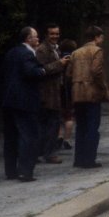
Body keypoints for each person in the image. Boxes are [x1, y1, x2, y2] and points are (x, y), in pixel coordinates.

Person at [2, 26, 67, 181]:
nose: (38, 40)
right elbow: (31, 72)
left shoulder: (12, 52)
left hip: (9, 100)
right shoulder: (27, 54)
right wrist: (43, 71)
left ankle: (10, 171)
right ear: (28, 39)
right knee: (29, 136)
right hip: (25, 101)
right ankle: (25, 171)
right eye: (35, 37)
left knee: (11, 137)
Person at [70, 25, 109, 169]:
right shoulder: (97, 51)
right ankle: (89, 159)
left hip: (77, 93)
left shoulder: (76, 52)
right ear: (96, 37)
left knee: (81, 127)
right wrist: (104, 89)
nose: (102, 39)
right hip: (92, 93)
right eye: (101, 37)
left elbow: (69, 73)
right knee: (92, 128)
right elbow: (96, 71)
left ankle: (79, 159)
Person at [35, 23, 65, 164]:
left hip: (55, 92)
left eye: (57, 33)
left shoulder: (55, 49)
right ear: (46, 35)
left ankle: (43, 152)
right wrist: (60, 64)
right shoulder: (42, 50)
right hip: (47, 93)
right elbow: (41, 70)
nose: (55, 36)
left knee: (52, 123)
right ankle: (48, 153)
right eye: (52, 34)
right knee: (50, 124)